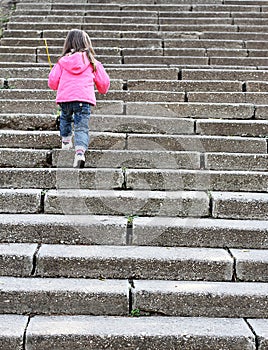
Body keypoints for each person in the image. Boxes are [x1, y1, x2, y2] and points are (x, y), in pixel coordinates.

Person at [48, 29, 110, 168]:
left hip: (65, 99)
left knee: (65, 118)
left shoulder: (62, 62)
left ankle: (65, 141)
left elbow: (52, 82)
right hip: (84, 100)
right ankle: (80, 153)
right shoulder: (93, 62)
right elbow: (104, 84)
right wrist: (101, 89)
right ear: (86, 43)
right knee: (82, 127)